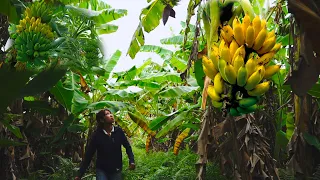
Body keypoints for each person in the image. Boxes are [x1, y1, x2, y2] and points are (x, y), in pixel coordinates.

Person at [75, 109, 135, 180]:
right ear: (101, 120)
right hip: (102, 170)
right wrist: (80, 174)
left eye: (110, 113)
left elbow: (127, 147)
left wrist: (132, 161)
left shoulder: (118, 131)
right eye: (107, 114)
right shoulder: (97, 135)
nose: (111, 115)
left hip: (116, 169)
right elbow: (89, 155)